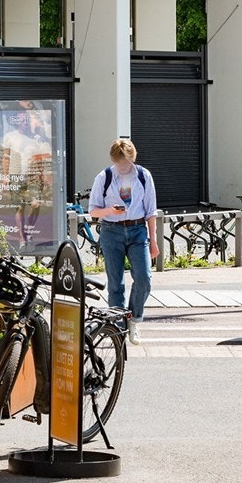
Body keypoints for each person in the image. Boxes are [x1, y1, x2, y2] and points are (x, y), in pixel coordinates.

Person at [87, 138, 159, 345]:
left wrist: (153, 240)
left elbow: (151, 211)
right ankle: (118, 327)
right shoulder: (105, 177)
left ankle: (134, 319)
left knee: (144, 278)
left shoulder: (144, 176)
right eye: (120, 163)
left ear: (133, 158)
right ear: (114, 160)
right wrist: (110, 210)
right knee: (115, 283)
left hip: (137, 230)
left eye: (127, 162)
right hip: (111, 230)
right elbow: (93, 209)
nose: (123, 167)